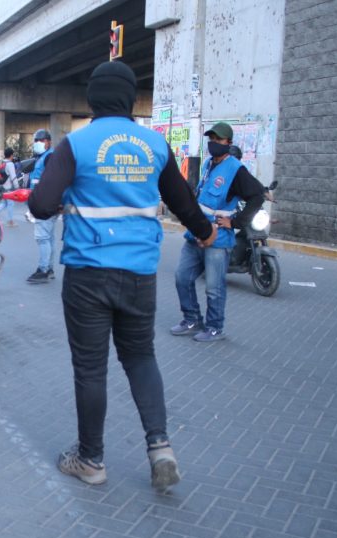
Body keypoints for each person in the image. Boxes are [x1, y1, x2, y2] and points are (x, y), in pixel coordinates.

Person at [28, 60, 217, 490]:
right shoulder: (154, 144)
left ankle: (91, 461)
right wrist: (205, 233)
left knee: (91, 369)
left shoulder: (76, 145)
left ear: (93, 98)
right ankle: (160, 446)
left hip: (87, 274)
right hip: (139, 273)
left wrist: (62, 200)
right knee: (140, 356)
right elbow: (183, 203)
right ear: (130, 99)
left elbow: (41, 205)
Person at [170, 122, 264, 342]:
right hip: (196, 233)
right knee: (182, 277)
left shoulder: (236, 169)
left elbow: (257, 196)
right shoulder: (208, 164)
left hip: (219, 238)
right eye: (211, 139)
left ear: (228, 142)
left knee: (214, 288)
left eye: (218, 140)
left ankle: (214, 328)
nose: (213, 143)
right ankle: (192, 319)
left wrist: (236, 222)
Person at [27, 128, 57, 283]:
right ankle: (49, 268)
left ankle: (43, 270)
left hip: (45, 201)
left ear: (48, 141)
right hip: (47, 201)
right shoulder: (44, 156)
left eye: (42, 140)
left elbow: (51, 180)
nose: (38, 143)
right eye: (36, 141)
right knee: (49, 237)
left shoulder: (49, 157)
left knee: (42, 238)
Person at [0, 147, 19, 227]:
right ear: (11, 155)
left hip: (2, 186)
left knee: (4, 202)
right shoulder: (10, 164)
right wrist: (17, 186)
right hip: (8, 187)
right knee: (10, 204)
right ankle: (10, 221)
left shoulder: (3, 163)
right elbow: (13, 176)